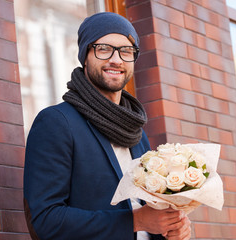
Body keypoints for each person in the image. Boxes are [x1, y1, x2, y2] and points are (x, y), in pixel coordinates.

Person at [23, 12, 191, 240]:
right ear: (85, 56)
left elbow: (146, 218)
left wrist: (171, 228)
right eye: (103, 49)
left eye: (126, 51)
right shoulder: (57, 123)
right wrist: (136, 220)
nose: (116, 59)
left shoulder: (136, 133)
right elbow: (46, 220)